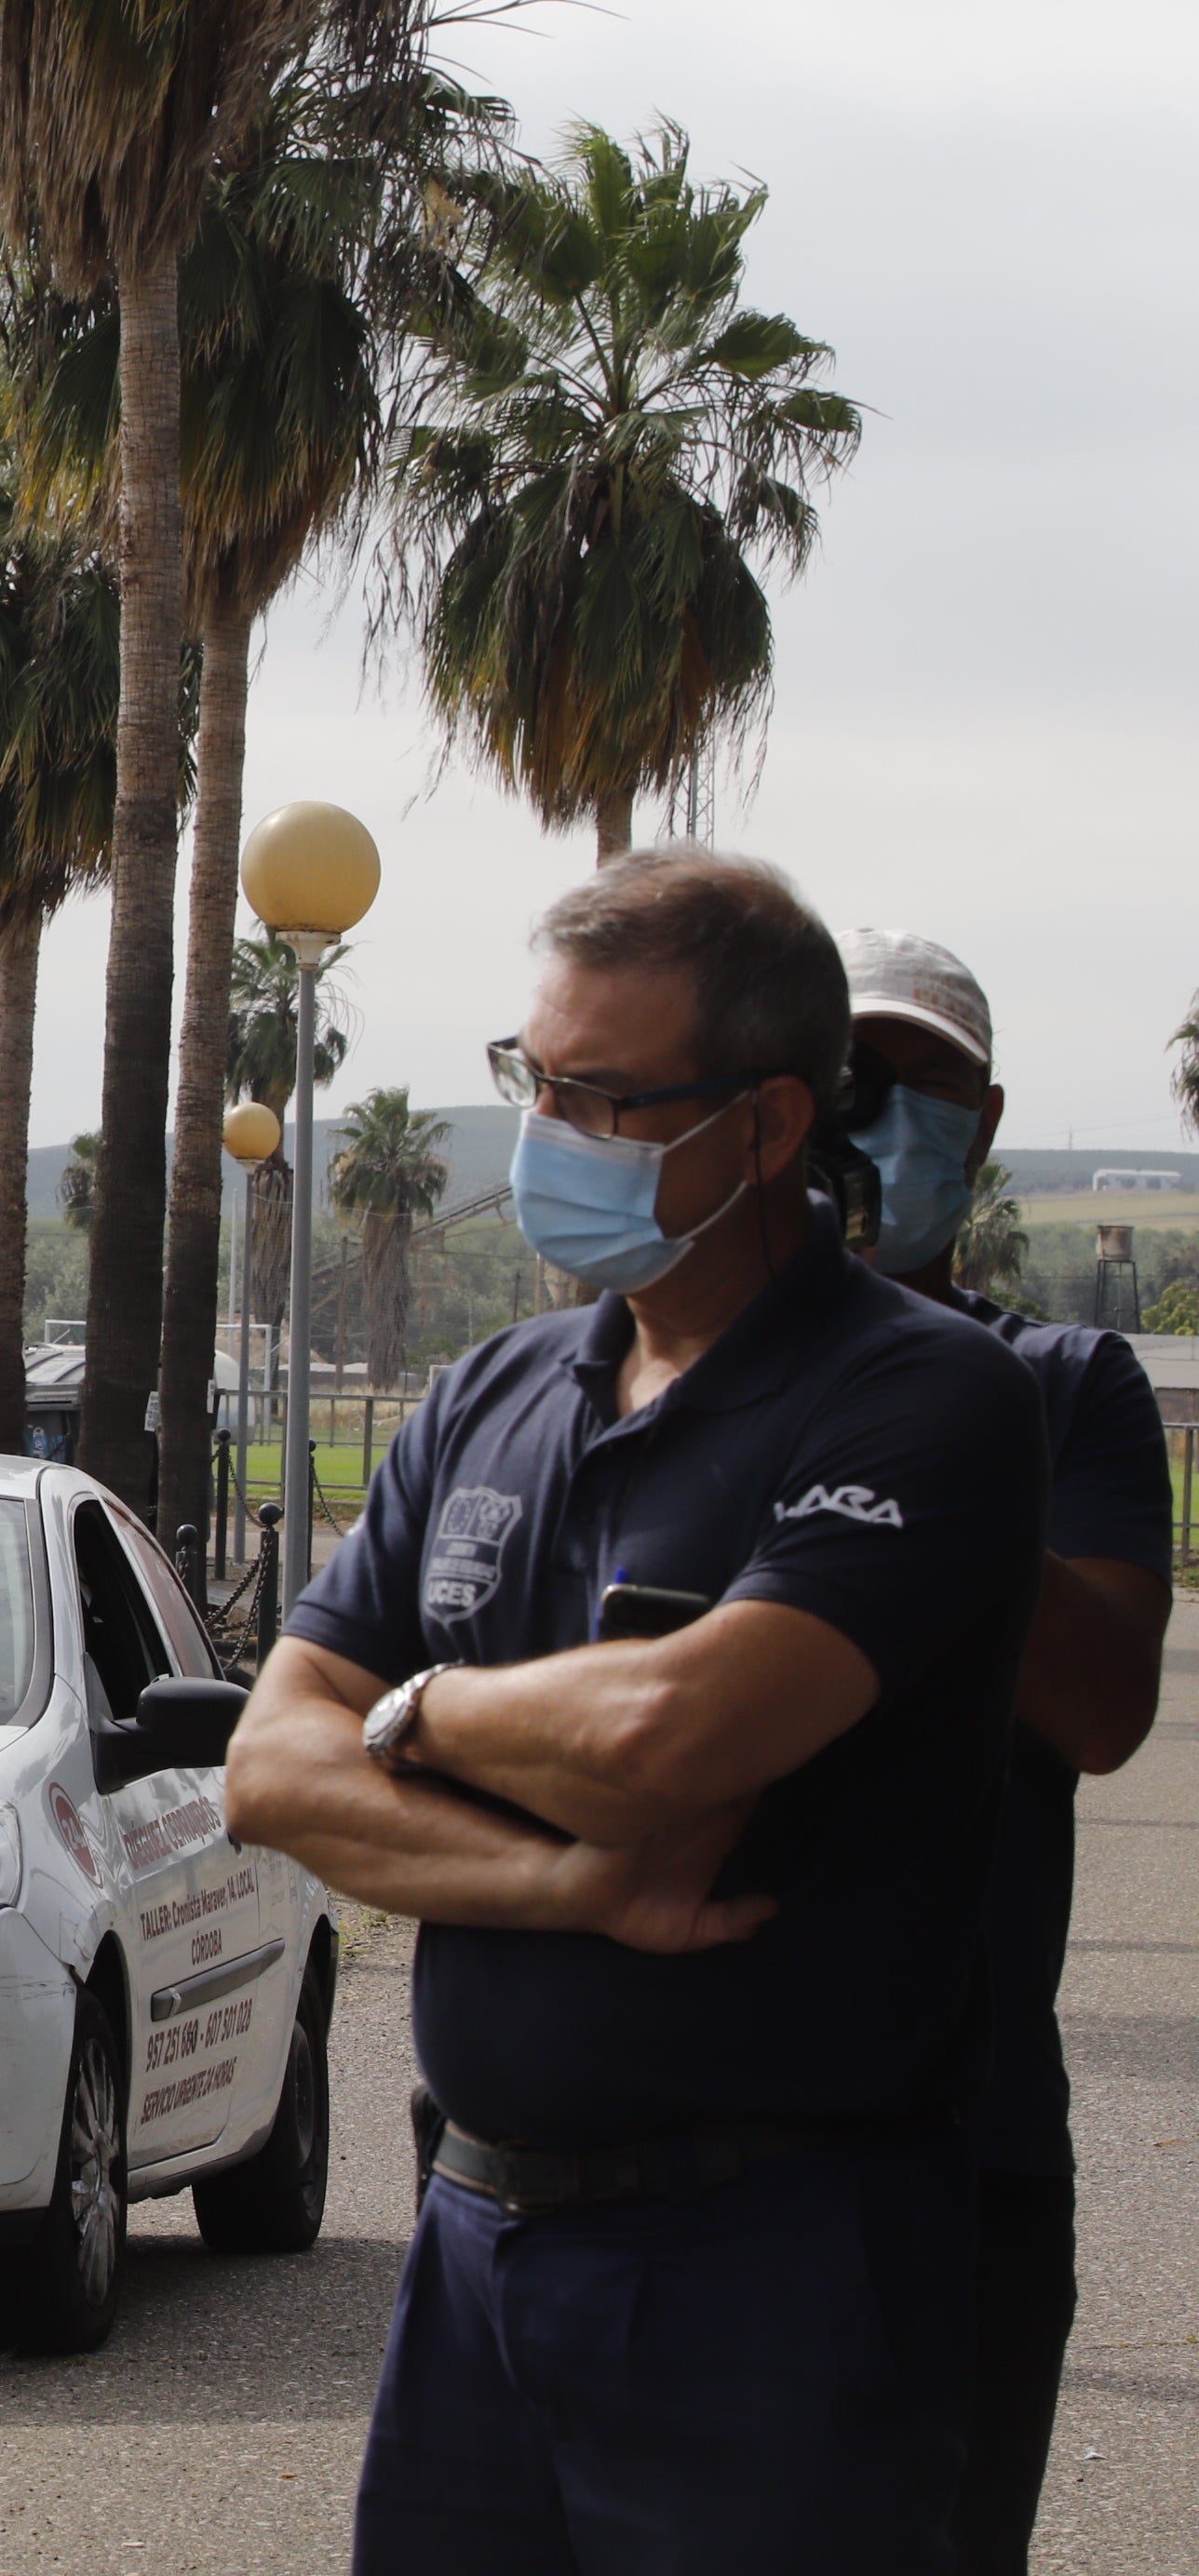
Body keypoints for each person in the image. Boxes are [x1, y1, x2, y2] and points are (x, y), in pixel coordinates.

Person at [222, 852, 1050, 2574]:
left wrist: (419, 1709)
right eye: (536, 1080)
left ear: (761, 1129)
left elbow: (672, 1742)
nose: (548, 1134)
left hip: (774, 2268)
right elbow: (264, 1765)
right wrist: (568, 1882)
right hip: (473, 2240)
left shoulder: (921, 1394)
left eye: (603, 1097)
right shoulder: (494, 1392)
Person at [840, 929, 1172, 2574]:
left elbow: (1104, 1710)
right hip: (691, 2153)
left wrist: (924, 1425)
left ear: (983, 1123)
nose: (884, 1118)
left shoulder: (1060, 1388)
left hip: (966, 2152)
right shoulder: (673, 1374)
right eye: (852, 1078)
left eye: (927, 1086)